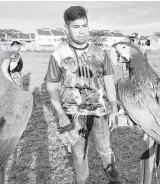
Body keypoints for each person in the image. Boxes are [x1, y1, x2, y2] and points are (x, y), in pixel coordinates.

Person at [44, 6, 121, 184]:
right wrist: (61, 115)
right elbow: (51, 88)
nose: (82, 31)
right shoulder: (58, 55)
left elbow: (109, 81)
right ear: (66, 29)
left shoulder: (101, 53)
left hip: (100, 114)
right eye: (76, 27)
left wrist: (114, 107)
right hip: (73, 116)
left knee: (106, 152)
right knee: (79, 157)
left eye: (84, 26)